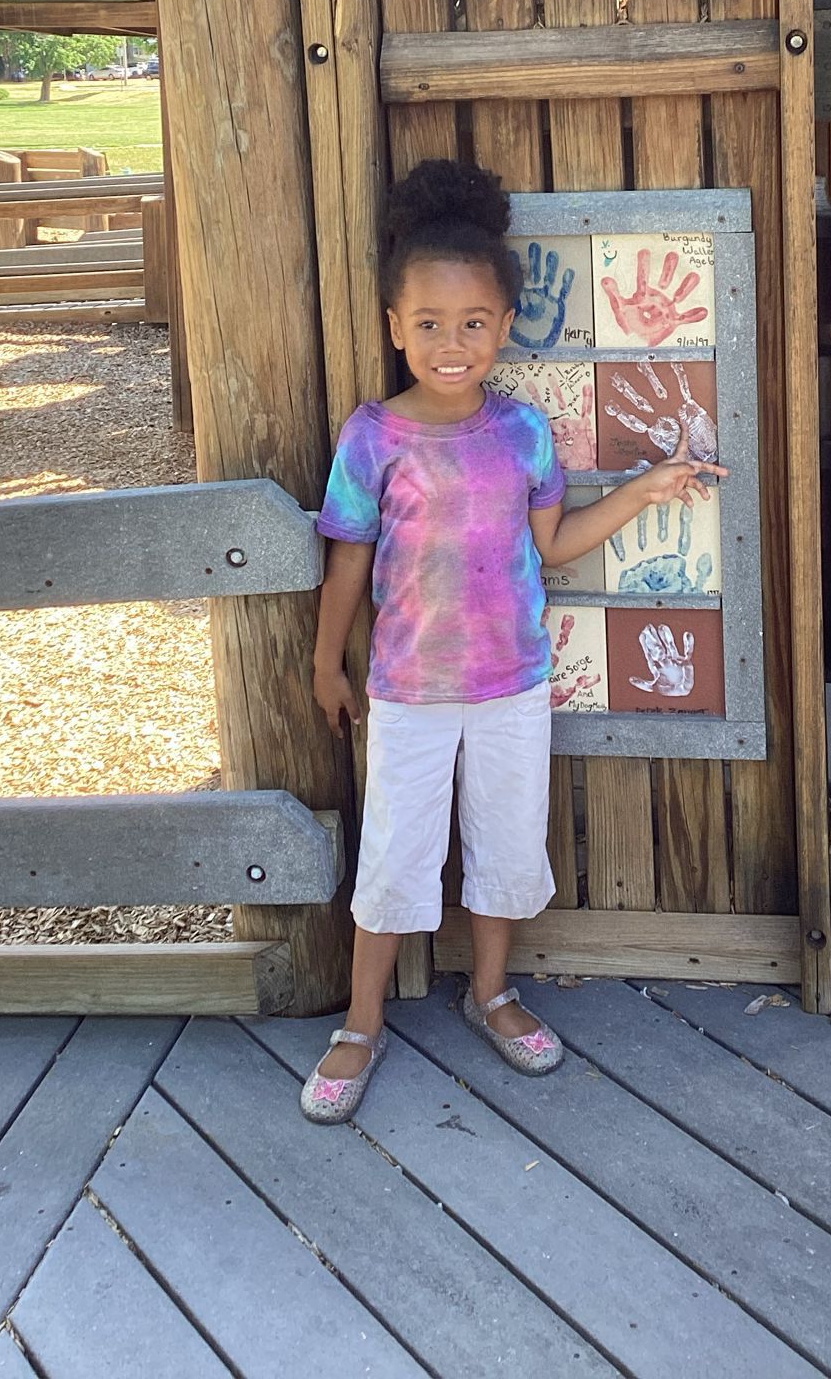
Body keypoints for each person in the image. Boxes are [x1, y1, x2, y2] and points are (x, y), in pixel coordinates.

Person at [301, 158, 726, 1123]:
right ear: (393, 327)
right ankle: (361, 1021)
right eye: (429, 325)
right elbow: (349, 567)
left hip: (512, 687)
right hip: (407, 690)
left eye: (474, 324)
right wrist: (327, 661)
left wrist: (646, 490)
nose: (453, 345)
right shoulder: (371, 439)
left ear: (505, 323)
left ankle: (490, 992)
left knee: (502, 845)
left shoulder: (527, 434)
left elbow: (555, 546)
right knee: (396, 856)